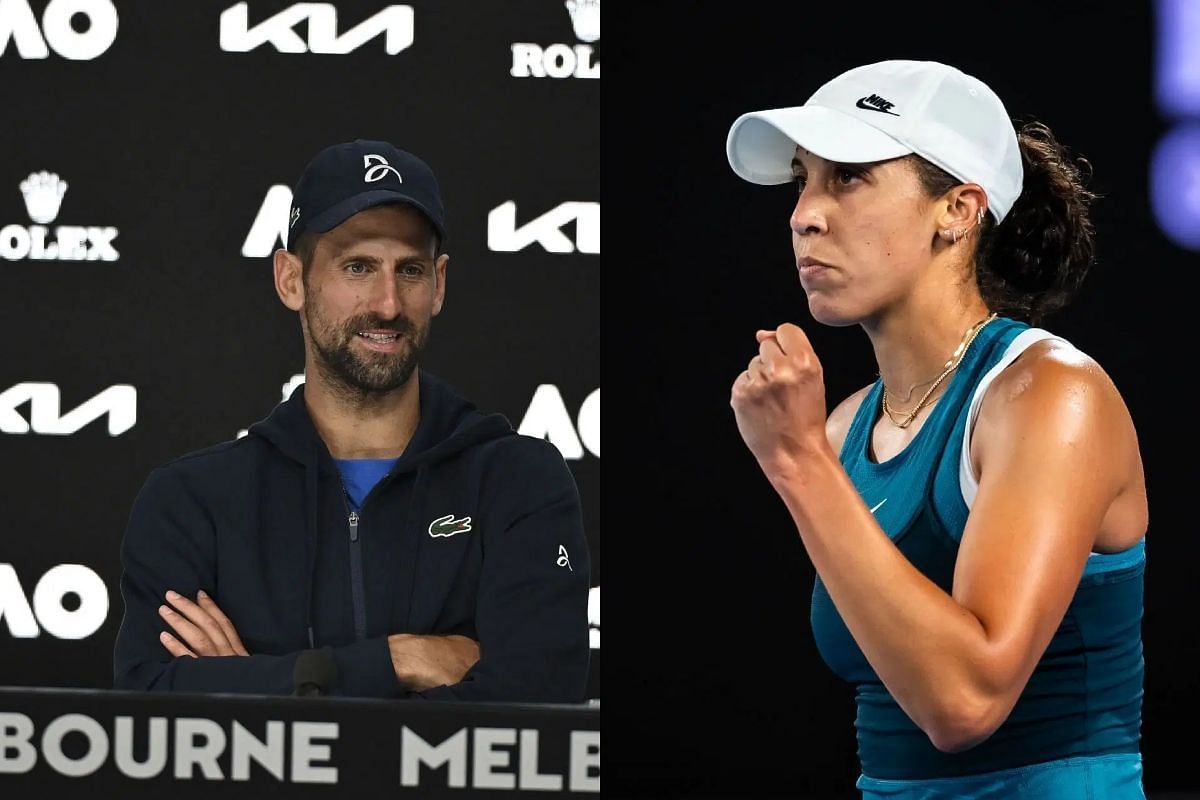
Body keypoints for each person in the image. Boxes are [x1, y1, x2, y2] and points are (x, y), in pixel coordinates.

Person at [725, 61, 1146, 798]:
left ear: (957, 209)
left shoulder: (1051, 395)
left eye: (849, 177)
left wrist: (795, 460)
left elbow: (964, 703)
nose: (805, 214)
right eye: (803, 180)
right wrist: (807, 453)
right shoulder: (848, 424)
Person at [112, 139, 591, 702]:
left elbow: (538, 696)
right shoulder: (193, 500)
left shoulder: (518, 480)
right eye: (358, 266)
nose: (387, 304)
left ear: (438, 284)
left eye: (409, 269)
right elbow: (151, 704)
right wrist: (398, 661)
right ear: (291, 279)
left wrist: (262, 690)